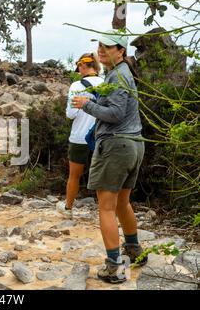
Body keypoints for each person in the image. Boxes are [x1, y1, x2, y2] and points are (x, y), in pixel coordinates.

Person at [73, 30, 146, 284]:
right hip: (134, 144)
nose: (102, 50)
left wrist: (87, 105)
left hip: (116, 146)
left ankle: (114, 267)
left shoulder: (118, 76)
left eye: (109, 46)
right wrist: (94, 99)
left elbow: (114, 114)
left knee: (106, 207)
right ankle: (135, 251)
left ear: (121, 51)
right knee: (122, 202)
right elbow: (120, 108)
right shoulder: (121, 73)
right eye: (101, 45)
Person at [57, 53, 103, 219]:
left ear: (83, 66)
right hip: (101, 136)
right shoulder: (106, 83)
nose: (78, 71)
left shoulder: (76, 85)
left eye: (79, 68)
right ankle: (104, 212)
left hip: (80, 136)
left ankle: (68, 208)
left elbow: (70, 114)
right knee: (102, 177)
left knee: (74, 175)